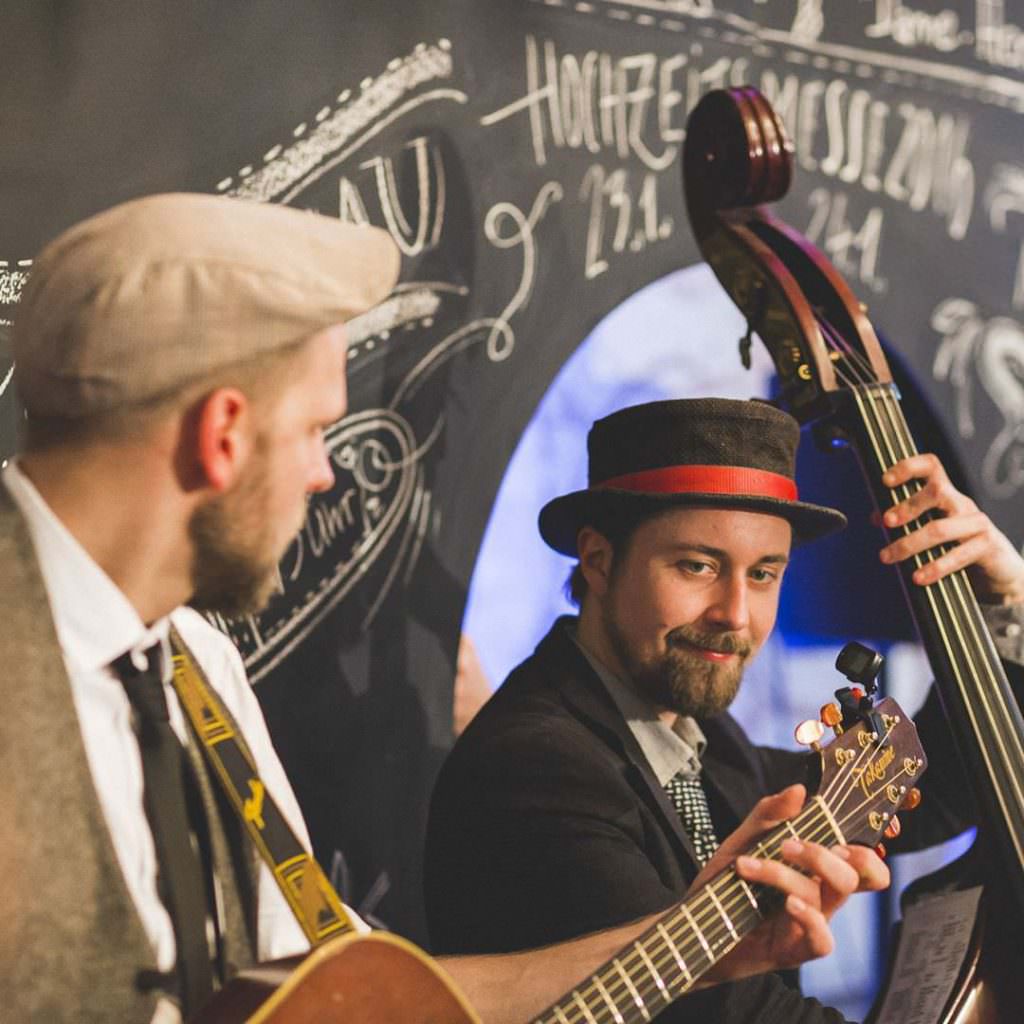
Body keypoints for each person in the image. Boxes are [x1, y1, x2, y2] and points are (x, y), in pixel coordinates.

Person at [0, 195, 881, 1024]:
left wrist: (687, 945)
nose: (325, 473)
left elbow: (353, 992)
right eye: (314, 429)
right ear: (221, 434)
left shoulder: (192, 661)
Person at [424, 398, 1024, 1024]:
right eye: (698, 566)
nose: (735, 614)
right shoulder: (537, 764)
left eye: (764, 574)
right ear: (599, 561)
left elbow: (919, 793)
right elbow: (728, 1013)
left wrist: (1005, 608)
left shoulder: (698, 736)